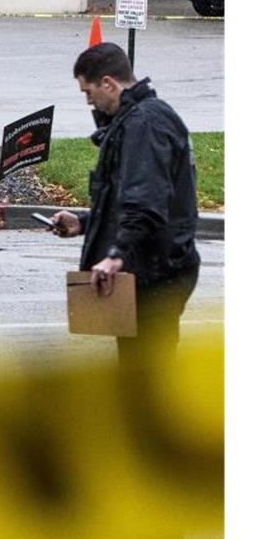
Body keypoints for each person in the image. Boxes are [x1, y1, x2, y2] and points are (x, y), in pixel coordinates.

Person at [50, 42, 200, 376]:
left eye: (89, 93)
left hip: (156, 270)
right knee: (140, 373)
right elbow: (127, 195)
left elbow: (146, 201)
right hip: (151, 267)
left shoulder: (145, 124)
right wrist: (84, 222)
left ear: (109, 83)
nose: (89, 102)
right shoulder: (139, 119)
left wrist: (117, 254)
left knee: (147, 374)